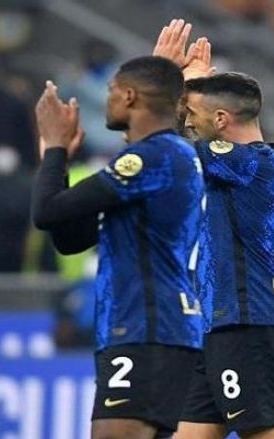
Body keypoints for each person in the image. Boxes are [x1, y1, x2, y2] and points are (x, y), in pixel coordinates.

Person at [31, 55, 205, 439]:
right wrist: (62, 162)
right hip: (156, 327)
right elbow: (69, 238)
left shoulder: (151, 158)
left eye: (110, 91)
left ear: (129, 97)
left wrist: (55, 147)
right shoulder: (167, 158)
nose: (105, 101)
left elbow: (45, 212)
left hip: (146, 326)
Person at [152, 20, 274, 439]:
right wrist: (186, 90)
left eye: (192, 115)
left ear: (221, 120)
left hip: (249, 320)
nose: (187, 122)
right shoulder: (228, 167)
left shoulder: (251, 163)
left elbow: (167, 147)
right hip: (216, 321)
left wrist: (160, 84)